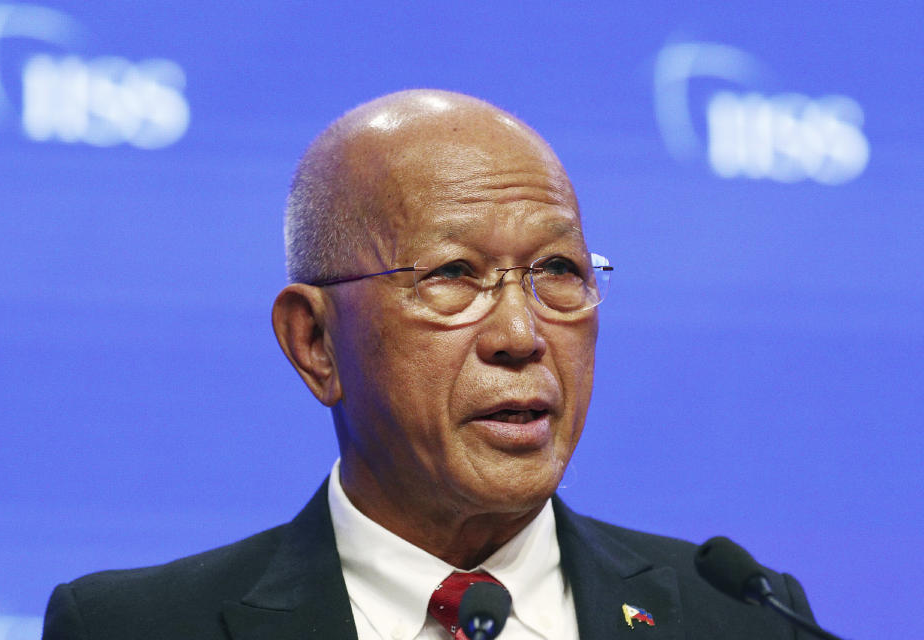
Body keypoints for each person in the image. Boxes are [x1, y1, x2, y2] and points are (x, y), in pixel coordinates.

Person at [43, 90, 814, 639]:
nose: (521, 332)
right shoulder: (132, 626)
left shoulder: (744, 617)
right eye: (452, 275)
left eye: (557, 271)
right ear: (314, 342)